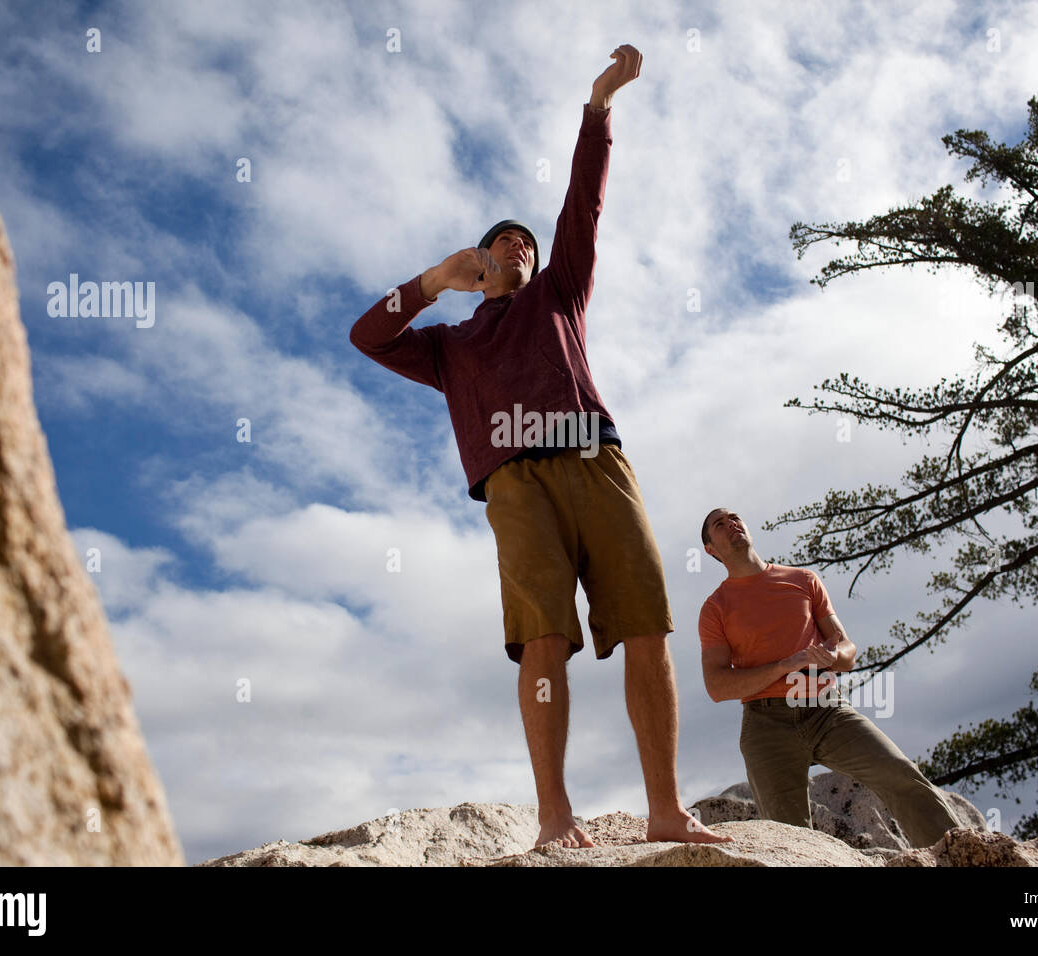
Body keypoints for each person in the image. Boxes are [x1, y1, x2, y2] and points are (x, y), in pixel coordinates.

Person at [349, 45, 728, 849]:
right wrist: (426, 283)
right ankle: (554, 817)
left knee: (646, 623)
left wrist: (598, 107)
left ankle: (666, 807)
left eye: (527, 240)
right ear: (481, 263)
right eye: (504, 242)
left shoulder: (559, 291)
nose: (521, 246)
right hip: (514, 487)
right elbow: (367, 335)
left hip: (598, 461)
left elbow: (582, 205)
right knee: (543, 637)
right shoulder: (450, 347)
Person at [697, 507, 966, 848]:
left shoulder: (803, 580)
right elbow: (717, 686)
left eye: (735, 517)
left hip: (828, 710)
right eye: (719, 524)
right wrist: (783, 666)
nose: (731, 524)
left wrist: (833, 658)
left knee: (900, 774)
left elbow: (848, 650)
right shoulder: (715, 607)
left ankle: (962, 857)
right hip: (767, 725)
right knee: (789, 838)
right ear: (710, 549)